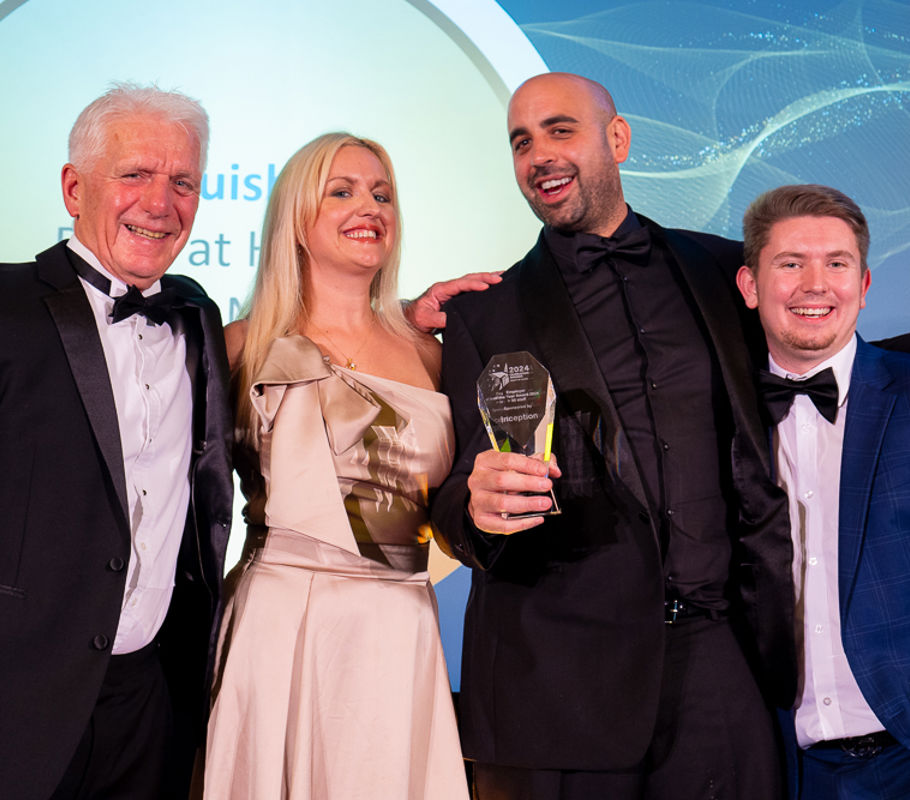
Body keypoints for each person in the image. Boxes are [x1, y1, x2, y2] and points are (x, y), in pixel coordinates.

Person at [431, 71, 795, 798]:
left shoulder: (726, 272)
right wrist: (473, 511)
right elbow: (451, 502)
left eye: (560, 130)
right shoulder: (483, 314)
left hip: (723, 668)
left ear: (618, 139)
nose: (539, 155)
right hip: (564, 688)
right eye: (521, 142)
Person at [202, 132, 470, 799]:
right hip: (278, 626)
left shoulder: (434, 354)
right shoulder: (239, 346)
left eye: (382, 194)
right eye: (342, 191)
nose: (370, 206)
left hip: (398, 630)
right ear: (296, 217)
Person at [0, 84, 233, 800]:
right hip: (18, 694)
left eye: (183, 183)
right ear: (75, 189)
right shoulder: (5, 306)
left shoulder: (196, 316)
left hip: (149, 701)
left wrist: (402, 318)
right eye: (135, 174)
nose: (160, 203)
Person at [735, 184, 910, 800]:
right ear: (750, 286)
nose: (816, 285)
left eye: (837, 263)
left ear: (863, 285)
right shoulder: (715, 419)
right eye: (791, 263)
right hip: (778, 768)